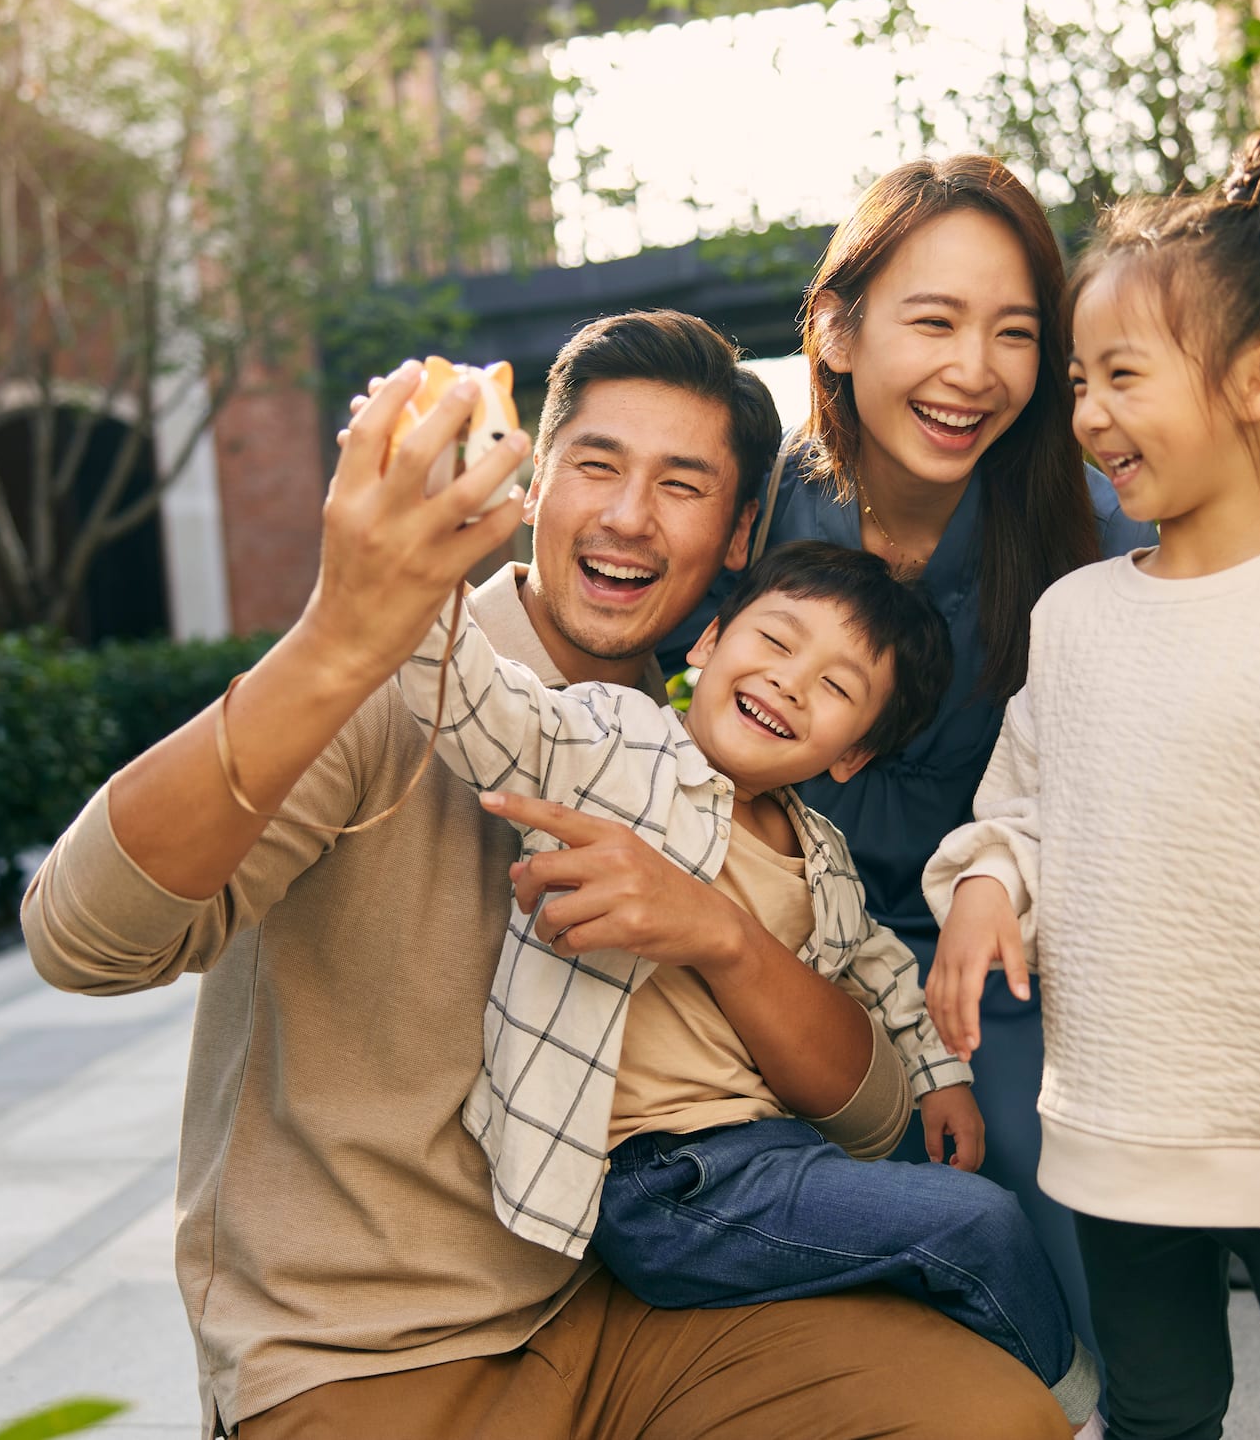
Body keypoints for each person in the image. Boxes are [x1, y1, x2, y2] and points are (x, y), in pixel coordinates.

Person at [21, 309, 1073, 1439]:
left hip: (623, 1313)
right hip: (362, 1354)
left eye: (680, 484)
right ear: (533, 487)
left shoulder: (720, 761)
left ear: (735, 536)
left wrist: (717, 932)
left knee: (988, 1417)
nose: (626, 515)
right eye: (595, 465)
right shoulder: (393, 691)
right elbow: (81, 940)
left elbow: (866, 1122)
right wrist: (336, 640)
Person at [923, 134, 1260, 1440]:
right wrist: (991, 886)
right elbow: (1027, 807)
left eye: (1121, 376)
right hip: (1121, 1133)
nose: (1087, 416)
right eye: (1079, 382)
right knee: (1158, 1416)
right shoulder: (1074, 621)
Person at [393, 540, 1100, 1432]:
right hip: (662, 1183)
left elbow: (878, 966)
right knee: (978, 1227)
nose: (791, 683)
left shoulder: (825, 862)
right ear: (709, 641)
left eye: (839, 688)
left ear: (855, 755)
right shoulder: (615, 741)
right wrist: (414, 572)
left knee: (940, 1265)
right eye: (775, 640)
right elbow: (481, 708)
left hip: (774, 1159)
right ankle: (1077, 1417)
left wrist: (941, 1079)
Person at [663, 157, 1153, 1358]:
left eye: (1013, 333)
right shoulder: (749, 512)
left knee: (1037, 1149)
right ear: (834, 327)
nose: (970, 371)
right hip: (753, 920)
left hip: (986, 952)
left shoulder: (1092, 532)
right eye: (931, 321)